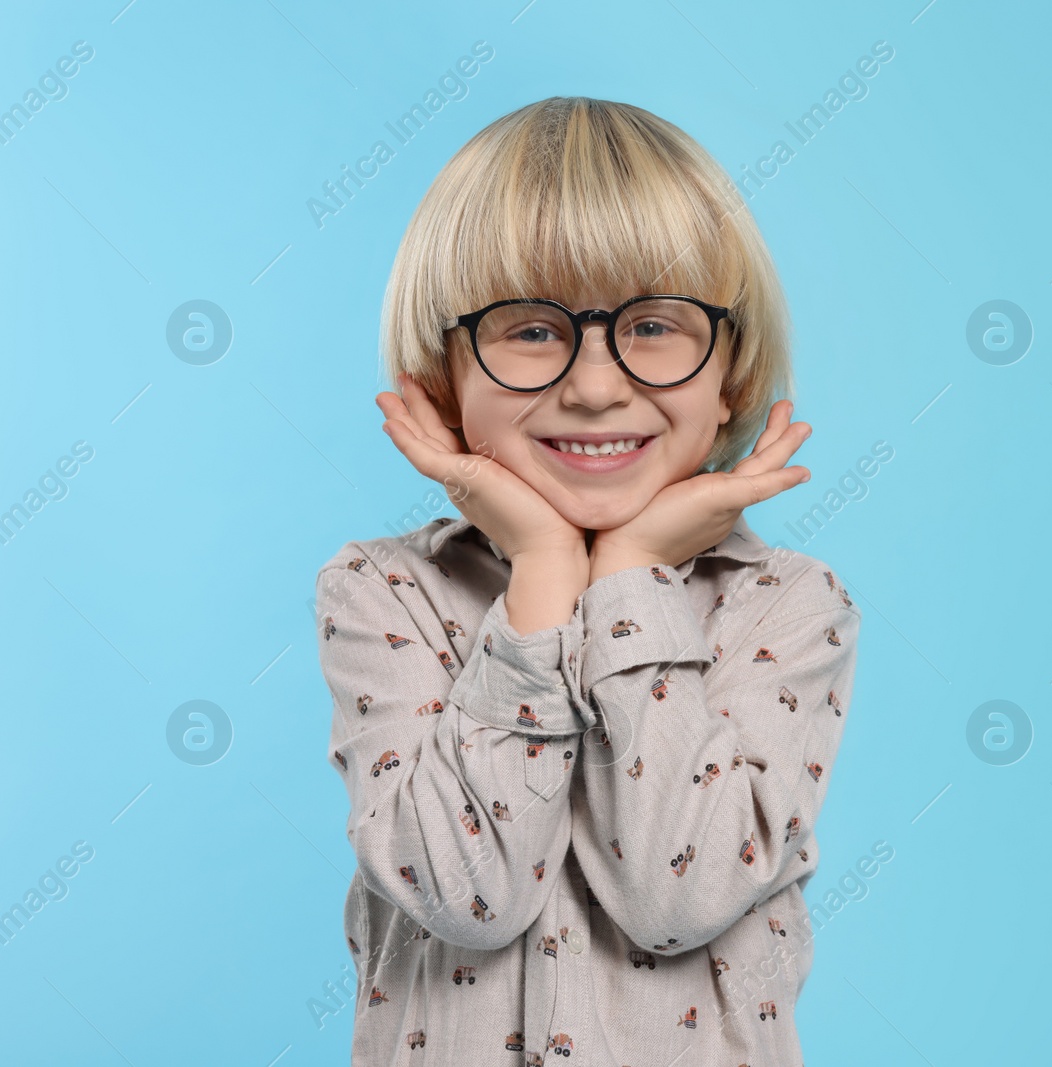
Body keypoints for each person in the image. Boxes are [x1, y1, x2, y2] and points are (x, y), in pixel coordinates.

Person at [313, 96, 862, 1066]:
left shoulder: (789, 604)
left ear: (729, 368)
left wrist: (630, 578)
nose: (596, 384)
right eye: (530, 329)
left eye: (654, 324)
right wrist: (542, 571)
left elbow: (674, 897)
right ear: (445, 373)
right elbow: (465, 890)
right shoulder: (382, 590)